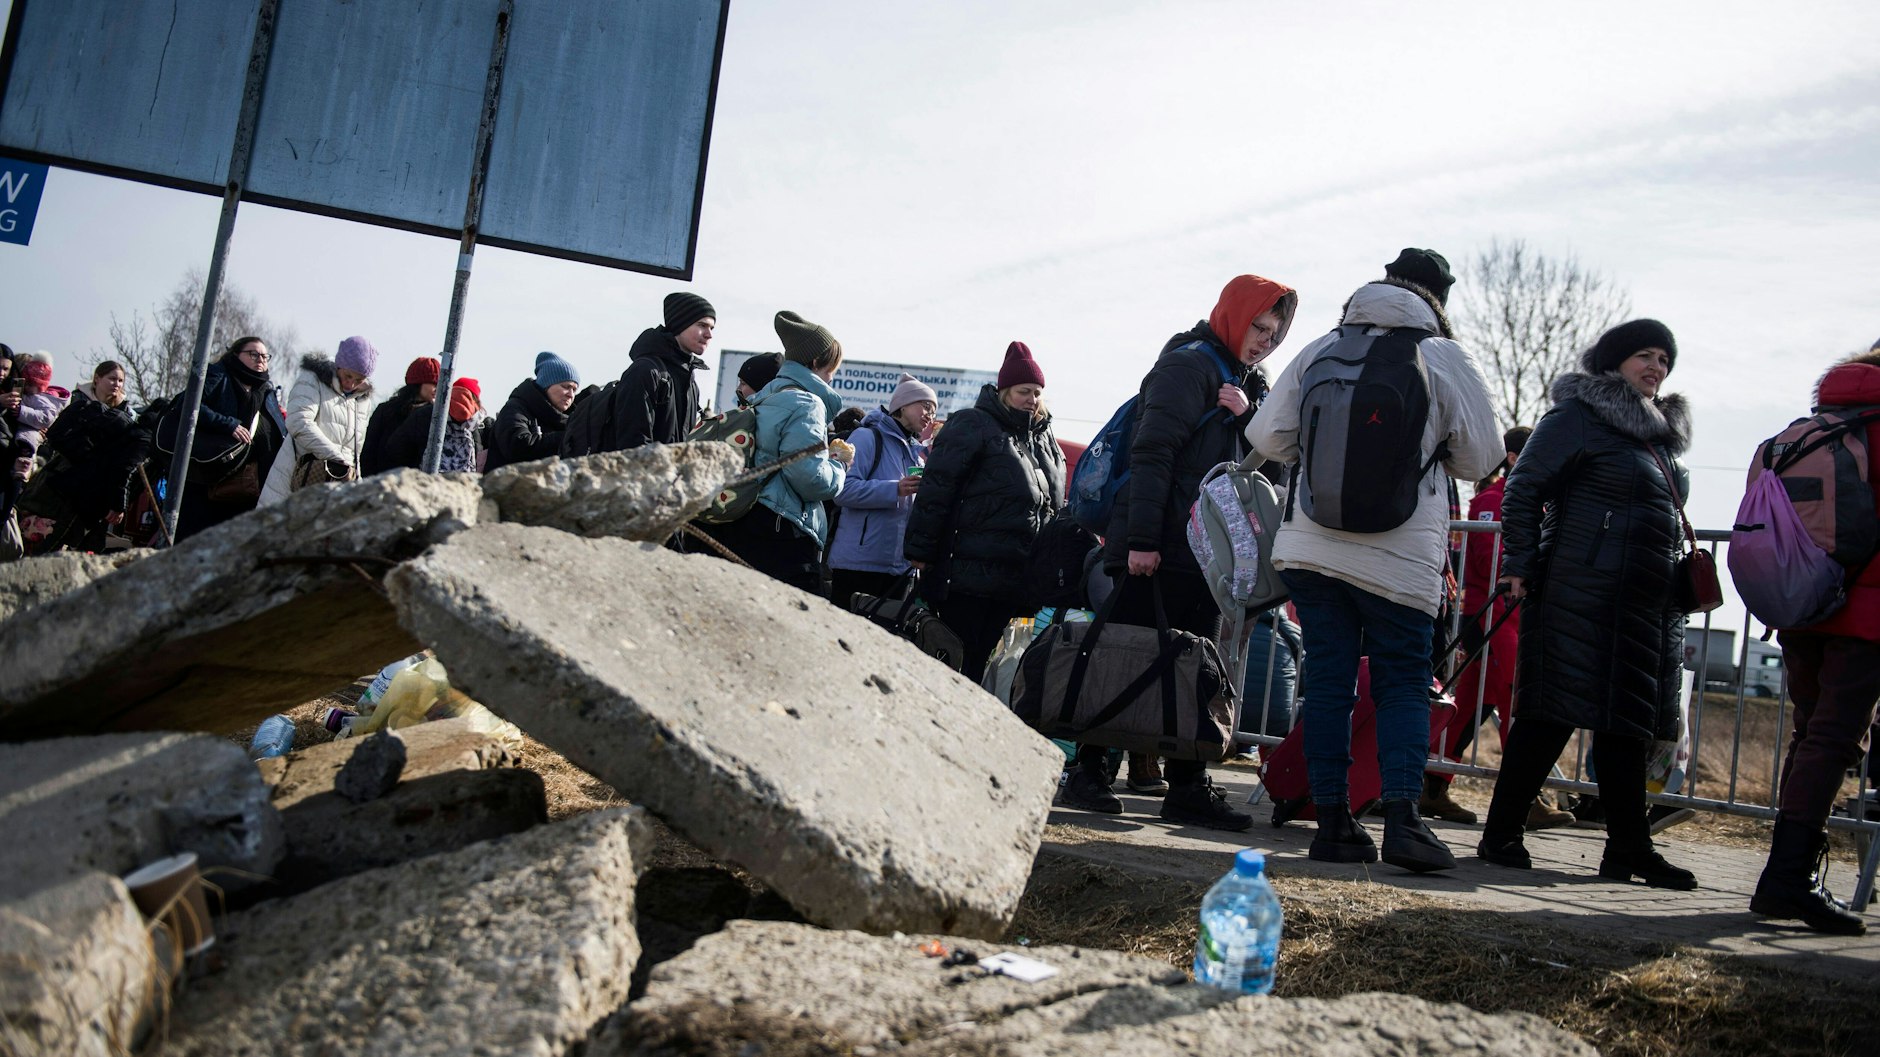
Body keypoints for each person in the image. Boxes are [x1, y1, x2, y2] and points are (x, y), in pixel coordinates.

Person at [1247, 277, 1502, 870]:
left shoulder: (1319, 349)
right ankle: (1405, 822)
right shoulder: (1441, 354)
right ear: (1431, 312)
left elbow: (1266, 436)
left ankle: (1332, 822)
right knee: (1402, 685)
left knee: (1331, 685)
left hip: (1311, 547)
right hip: (1400, 558)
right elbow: (1484, 459)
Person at [1057, 275, 1296, 830]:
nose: (1264, 340)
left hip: (1205, 555)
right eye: (1258, 326)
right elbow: (1152, 454)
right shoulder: (1187, 366)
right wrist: (1141, 541)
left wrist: (1251, 422)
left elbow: (1277, 469)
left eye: (1274, 333)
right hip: (1159, 546)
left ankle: (1187, 784)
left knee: (1196, 669)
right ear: (1234, 314)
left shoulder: (1249, 385)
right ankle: (1088, 773)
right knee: (1123, 657)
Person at [1477, 319, 1697, 890]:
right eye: (1643, 356)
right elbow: (1524, 489)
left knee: (1627, 728)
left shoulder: (1658, 439)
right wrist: (1519, 564)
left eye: (1664, 360)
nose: (1655, 368)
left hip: (1642, 605)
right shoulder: (1576, 416)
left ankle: (1629, 848)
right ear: (1613, 362)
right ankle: (1501, 834)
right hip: (1577, 591)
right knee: (1548, 717)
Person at [1750, 344, 1880, 935]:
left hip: (1802, 600)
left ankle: (1786, 874)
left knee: (1810, 736)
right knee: (1834, 740)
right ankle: (1787, 880)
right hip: (1866, 612)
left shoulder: (1800, 433)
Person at [1422, 425, 1578, 829]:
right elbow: (1488, 562)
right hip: (1491, 615)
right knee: (1516, 704)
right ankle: (1525, 799)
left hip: (1515, 618)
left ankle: (1431, 785)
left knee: (1469, 706)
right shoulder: (1492, 500)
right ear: (1513, 458)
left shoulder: (1544, 507)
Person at [904, 342, 1065, 682]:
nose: (1032, 399)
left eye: (1037, 392)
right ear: (1005, 390)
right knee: (957, 662)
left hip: (1014, 579)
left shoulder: (1042, 437)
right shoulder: (974, 424)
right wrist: (919, 549)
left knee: (981, 667)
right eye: (1024, 391)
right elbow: (937, 488)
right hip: (965, 576)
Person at [695, 311, 852, 591]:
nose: (831, 379)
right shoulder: (807, 403)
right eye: (831, 370)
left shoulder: (766, 397)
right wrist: (839, 468)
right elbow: (809, 478)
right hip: (783, 531)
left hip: (747, 518)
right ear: (815, 363)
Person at [827, 373, 937, 610]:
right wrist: (894, 489)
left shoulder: (916, 452)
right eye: (925, 406)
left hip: (899, 570)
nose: (930, 415)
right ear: (902, 405)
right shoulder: (867, 437)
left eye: (934, 410)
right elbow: (842, 490)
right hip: (857, 566)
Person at [31, 361, 152, 552]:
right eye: (112, 379)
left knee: (85, 538)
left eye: (120, 381)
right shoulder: (78, 401)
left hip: (96, 483)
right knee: (49, 528)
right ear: (97, 379)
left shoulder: (126, 413)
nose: (117, 384)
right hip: (65, 470)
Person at [173, 336, 287, 540]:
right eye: (253, 354)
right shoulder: (218, 375)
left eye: (265, 356)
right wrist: (228, 424)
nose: (260, 359)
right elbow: (188, 404)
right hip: (206, 476)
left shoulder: (265, 391)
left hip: (244, 487)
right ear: (235, 354)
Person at [258, 337, 377, 506]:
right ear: (339, 365)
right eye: (348, 375)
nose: (351, 384)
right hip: (295, 480)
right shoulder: (313, 378)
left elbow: (354, 453)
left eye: (359, 380)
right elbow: (298, 421)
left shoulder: (363, 401)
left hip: (333, 491)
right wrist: (336, 458)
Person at [605, 292, 714, 451]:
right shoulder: (645, 371)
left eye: (711, 328)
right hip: (647, 474)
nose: (709, 334)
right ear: (680, 324)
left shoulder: (690, 382)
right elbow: (633, 445)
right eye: (701, 325)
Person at [0, 352, 70, 542]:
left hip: (15, 466)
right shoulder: (8, 397)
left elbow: (44, 419)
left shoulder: (34, 399)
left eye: (6, 369)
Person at [487, 352, 580, 471]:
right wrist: (567, 437)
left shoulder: (570, 419)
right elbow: (517, 447)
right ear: (546, 385)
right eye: (566, 387)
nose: (571, 395)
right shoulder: (516, 408)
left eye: (574, 389)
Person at [383, 377, 489, 473]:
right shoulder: (479, 425)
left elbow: (396, 449)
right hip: (462, 489)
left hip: (427, 485)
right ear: (477, 402)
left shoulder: (428, 414)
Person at [362, 356, 439, 476]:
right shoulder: (386, 410)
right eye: (433, 383)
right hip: (382, 482)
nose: (437, 389)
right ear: (418, 382)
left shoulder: (434, 417)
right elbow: (369, 451)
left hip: (415, 484)